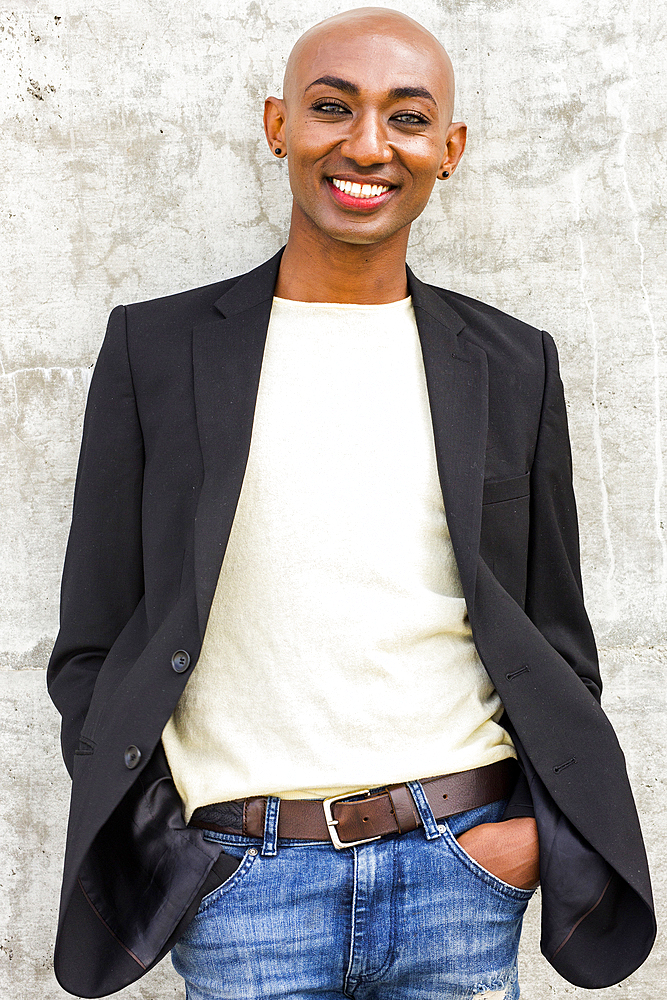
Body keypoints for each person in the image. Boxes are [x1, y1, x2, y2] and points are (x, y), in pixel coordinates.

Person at [47, 8, 655, 999]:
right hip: (241, 880)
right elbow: (91, 647)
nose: (367, 145)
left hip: (460, 868)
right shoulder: (155, 352)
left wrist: (520, 842)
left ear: (447, 149)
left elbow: (553, 641)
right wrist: (179, 845)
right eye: (334, 108)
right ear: (277, 124)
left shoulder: (510, 364)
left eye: (406, 118)